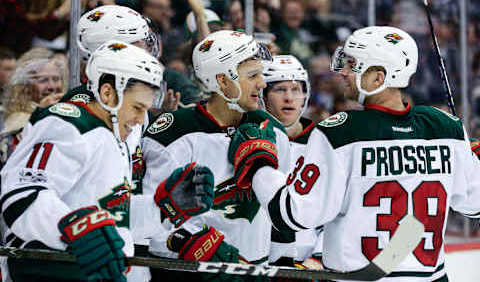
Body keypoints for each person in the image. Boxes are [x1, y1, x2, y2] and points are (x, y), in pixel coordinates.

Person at [229, 26, 480, 281]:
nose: (344, 72)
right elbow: (476, 202)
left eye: (354, 65)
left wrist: (260, 164)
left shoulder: (342, 132)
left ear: (379, 79)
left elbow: (291, 214)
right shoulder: (445, 128)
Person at [0, 40, 214, 282]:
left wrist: (162, 209)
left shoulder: (115, 138)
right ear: (108, 93)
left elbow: (111, 215)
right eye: (136, 107)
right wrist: (74, 227)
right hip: (50, 273)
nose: (141, 118)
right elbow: (22, 195)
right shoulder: (68, 123)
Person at [141, 30, 295, 281]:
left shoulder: (272, 130)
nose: (262, 83)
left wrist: (285, 265)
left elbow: (281, 212)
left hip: (254, 273)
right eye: (252, 75)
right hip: (190, 275)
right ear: (223, 81)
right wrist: (192, 242)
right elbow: (151, 222)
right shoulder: (174, 133)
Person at [261, 54, 324, 270]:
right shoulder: (248, 140)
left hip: (308, 264)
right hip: (257, 262)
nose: (289, 98)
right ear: (264, 94)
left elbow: (338, 210)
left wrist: (320, 256)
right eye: (280, 89)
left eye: (296, 89)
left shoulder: (325, 145)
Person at [0, 58, 66, 169]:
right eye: (43, 80)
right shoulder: (18, 120)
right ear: (26, 87)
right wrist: (41, 115)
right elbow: (9, 160)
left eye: (56, 79)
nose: (52, 87)